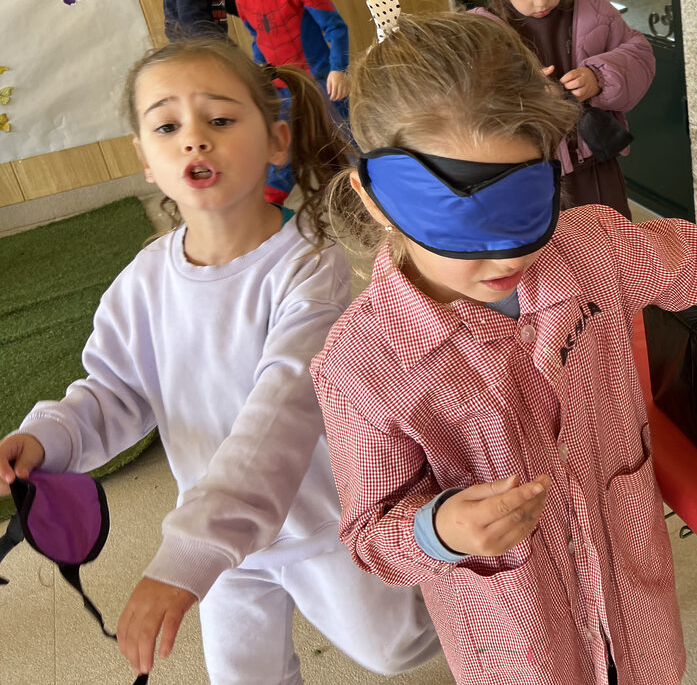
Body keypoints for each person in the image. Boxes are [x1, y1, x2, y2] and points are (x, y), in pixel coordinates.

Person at [311, 11, 697, 685]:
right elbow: (372, 538)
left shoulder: (593, 250)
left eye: (522, 211)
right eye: (461, 226)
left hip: (634, 611)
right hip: (516, 644)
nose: (506, 256)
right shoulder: (360, 369)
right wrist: (440, 531)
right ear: (376, 200)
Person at [0, 40, 440, 683]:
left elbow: (280, 415)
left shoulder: (311, 267)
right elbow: (113, 392)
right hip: (220, 536)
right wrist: (46, 438)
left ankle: (456, 549)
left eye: (221, 119)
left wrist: (189, 553)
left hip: (319, 522)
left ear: (277, 141)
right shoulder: (143, 280)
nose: (194, 139)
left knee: (394, 649)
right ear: (144, 159)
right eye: (167, 126)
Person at [474, 0, 654, 218]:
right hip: (532, 181)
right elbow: (472, 111)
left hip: (597, 171)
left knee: (613, 241)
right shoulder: (483, 35)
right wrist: (528, 100)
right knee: (555, 248)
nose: (541, 1)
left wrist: (600, 77)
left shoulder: (591, 10)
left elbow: (639, 56)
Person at [208, 0, 351, 204]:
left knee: (347, 140)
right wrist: (258, 77)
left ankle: (375, 192)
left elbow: (335, 28)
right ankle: (269, 209)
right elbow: (258, 41)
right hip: (281, 89)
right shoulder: (243, 0)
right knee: (279, 147)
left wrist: (339, 69)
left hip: (321, 83)